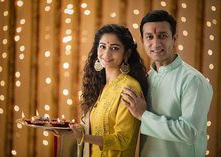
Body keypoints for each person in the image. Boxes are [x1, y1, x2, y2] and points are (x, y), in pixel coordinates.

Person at [121, 10, 213, 157]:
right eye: (149, 37)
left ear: (174, 38)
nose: (155, 43)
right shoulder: (147, 78)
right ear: (142, 40)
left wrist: (143, 115)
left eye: (162, 36)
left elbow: (189, 132)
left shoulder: (193, 80)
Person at [69, 24, 148, 157]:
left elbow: (122, 139)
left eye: (115, 48)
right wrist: (67, 130)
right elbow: (92, 127)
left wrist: (84, 137)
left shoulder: (129, 87)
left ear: (127, 53)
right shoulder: (98, 85)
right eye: (103, 46)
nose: (106, 53)